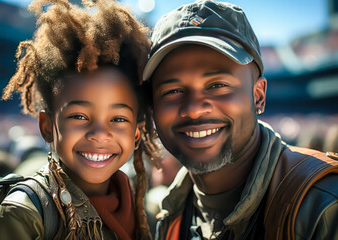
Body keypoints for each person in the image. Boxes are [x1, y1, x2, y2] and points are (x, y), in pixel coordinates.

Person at [141, 0, 338, 239]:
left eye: (218, 85)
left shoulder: (323, 205)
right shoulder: (167, 212)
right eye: (172, 91)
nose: (193, 109)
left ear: (258, 97)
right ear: (152, 107)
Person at [0, 0, 152, 239]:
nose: (99, 133)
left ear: (135, 135)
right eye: (79, 116)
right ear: (46, 127)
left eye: (118, 119)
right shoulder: (23, 214)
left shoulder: (141, 207)